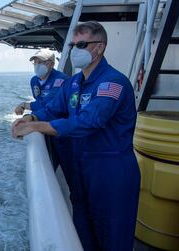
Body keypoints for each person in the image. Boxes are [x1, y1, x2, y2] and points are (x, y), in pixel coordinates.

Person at [12, 21, 140, 251]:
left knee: (112, 238)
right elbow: (53, 108)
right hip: (81, 169)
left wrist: (39, 127)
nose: (74, 51)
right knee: (83, 232)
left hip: (111, 173)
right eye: (72, 45)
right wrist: (31, 118)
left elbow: (90, 122)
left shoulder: (112, 82)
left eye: (81, 44)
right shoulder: (73, 83)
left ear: (99, 47)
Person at [14, 49, 73, 187]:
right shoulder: (34, 81)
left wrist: (26, 108)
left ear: (51, 64)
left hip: (61, 132)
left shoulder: (61, 80)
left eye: (41, 62)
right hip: (43, 125)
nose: (37, 65)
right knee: (48, 163)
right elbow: (41, 102)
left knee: (70, 170)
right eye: (35, 62)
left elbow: (50, 104)